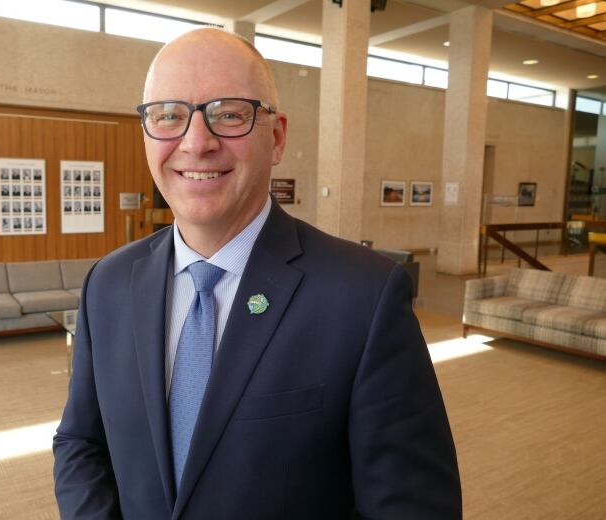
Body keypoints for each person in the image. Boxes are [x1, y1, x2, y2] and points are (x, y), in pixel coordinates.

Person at [53, 28, 461, 519]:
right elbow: (80, 441)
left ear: (278, 136)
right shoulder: (108, 284)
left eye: (228, 114)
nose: (196, 143)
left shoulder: (364, 297)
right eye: (169, 116)